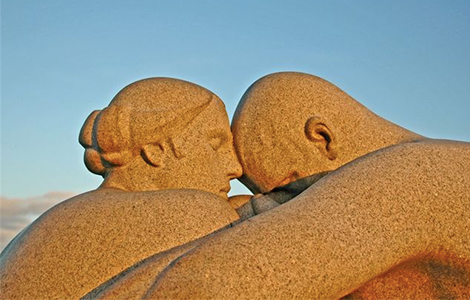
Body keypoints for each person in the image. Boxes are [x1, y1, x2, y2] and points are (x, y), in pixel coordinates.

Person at [90, 72, 469, 299]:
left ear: (322, 137)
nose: (282, 206)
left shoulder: (411, 175)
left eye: (288, 188)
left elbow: (205, 287)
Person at [0, 78, 242, 300]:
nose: (235, 167)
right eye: (216, 144)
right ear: (156, 149)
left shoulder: (52, 221)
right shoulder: (196, 213)